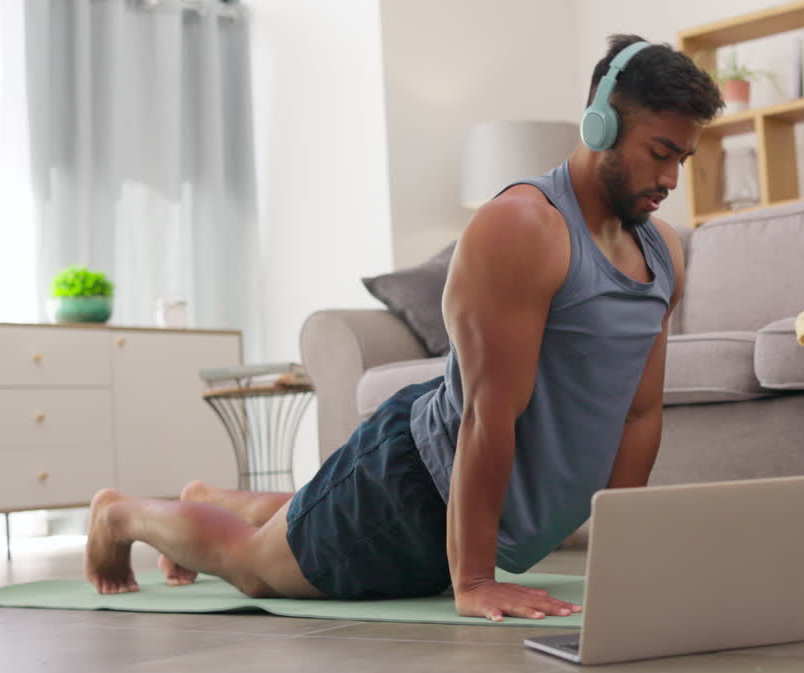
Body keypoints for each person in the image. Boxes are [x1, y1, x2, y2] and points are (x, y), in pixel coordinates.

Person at [84, 33, 724, 622]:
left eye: (683, 159)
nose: (670, 179)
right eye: (659, 153)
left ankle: (208, 498)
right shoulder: (523, 227)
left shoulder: (661, 251)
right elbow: (486, 415)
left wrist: (624, 559)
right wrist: (473, 580)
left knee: (301, 529)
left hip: (454, 492)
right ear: (601, 123)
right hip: (413, 486)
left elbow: (639, 417)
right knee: (256, 567)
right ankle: (122, 515)